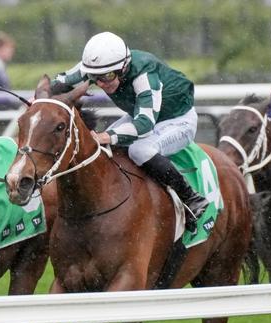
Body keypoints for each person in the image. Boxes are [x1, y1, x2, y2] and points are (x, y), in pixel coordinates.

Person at [52, 31, 208, 230]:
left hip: (178, 119)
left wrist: (106, 136)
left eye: (107, 77)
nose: (101, 84)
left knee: (139, 150)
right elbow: (61, 81)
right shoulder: (100, 67)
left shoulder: (144, 75)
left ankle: (190, 198)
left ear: (124, 68)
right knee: (101, 150)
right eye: (95, 78)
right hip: (142, 114)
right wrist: (41, 99)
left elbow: (144, 124)